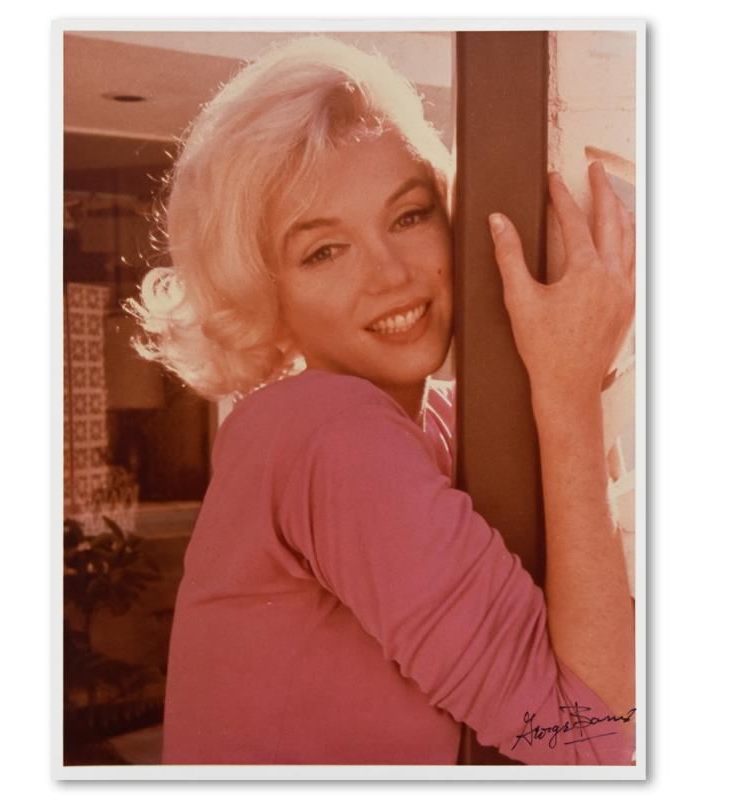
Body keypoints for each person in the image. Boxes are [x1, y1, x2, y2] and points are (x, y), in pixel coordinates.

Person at [127, 36, 636, 766]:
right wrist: (569, 389)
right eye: (323, 252)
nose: (391, 275)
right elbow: (590, 741)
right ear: (264, 295)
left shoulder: (442, 422)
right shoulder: (326, 432)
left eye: (408, 216)